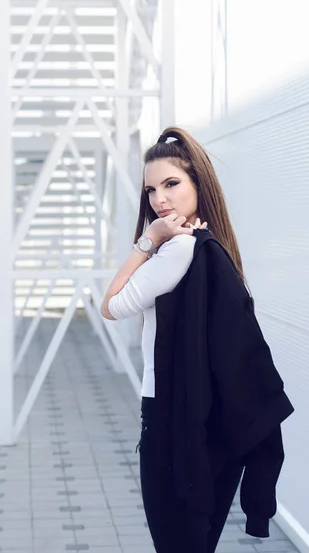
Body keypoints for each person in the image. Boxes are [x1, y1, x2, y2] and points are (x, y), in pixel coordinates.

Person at [100, 126, 294, 553]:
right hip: (206, 420)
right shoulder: (210, 246)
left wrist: (147, 241)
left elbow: (110, 304)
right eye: (150, 190)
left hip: (171, 421)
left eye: (171, 184)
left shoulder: (177, 250)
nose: (159, 199)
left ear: (197, 185)